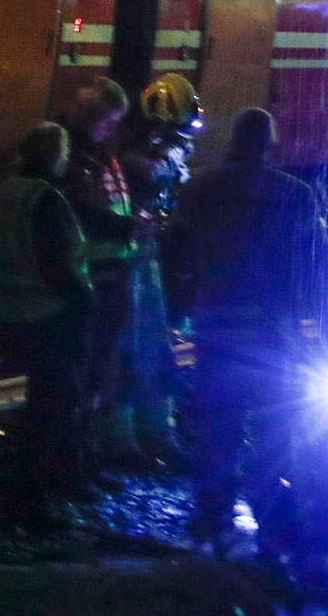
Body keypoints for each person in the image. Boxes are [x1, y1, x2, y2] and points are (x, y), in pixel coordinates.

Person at [172, 107, 325, 555]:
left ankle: (211, 515)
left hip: (216, 326)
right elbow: (314, 264)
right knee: (276, 427)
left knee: (218, 425)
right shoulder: (296, 194)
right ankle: (274, 517)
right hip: (273, 333)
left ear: (233, 140)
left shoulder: (197, 190)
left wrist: (177, 309)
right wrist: (320, 323)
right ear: (270, 144)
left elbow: (177, 252)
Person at [0, 122, 94, 525]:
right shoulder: (47, 198)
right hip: (50, 315)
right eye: (64, 153)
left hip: (16, 313)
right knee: (52, 409)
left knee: (40, 408)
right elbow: (57, 264)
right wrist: (85, 301)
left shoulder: (7, 191)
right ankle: (31, 498)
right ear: (55, 156)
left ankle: (42, 485)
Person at [105, 74, 203, 468]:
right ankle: (118, 442)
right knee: (124, 353)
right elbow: (148, 174)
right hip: (124, 264)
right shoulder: (129, 157)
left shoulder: (149, 149)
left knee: (155, 352)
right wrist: (174, 156)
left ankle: (157, 437)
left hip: (144, 260)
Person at [63, 78, 148, 478]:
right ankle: (77, 457)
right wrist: (128, 227)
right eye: (108, 122)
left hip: (111, 268)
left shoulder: (95, 153)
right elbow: (82, 213)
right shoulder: (79, 158)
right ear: (92, 118)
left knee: (99, 368)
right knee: (88, 371)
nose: (112, 130)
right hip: (96, 272)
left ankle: (87, 451)